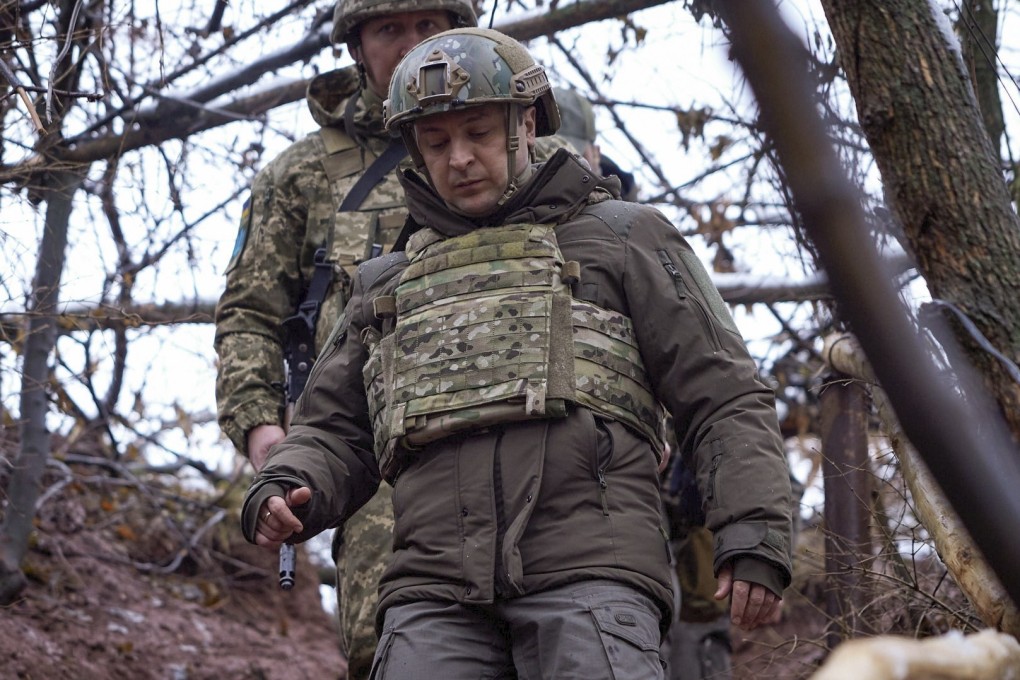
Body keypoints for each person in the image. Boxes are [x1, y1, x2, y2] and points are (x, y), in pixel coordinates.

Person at [241, 27, 794, 679]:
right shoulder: (387, 281)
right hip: (433, 592)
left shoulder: (624, 238)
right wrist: (287, 484)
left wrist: (754, 531)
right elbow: (333, 428)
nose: (460, 159)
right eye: (437, 142)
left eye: (477, 134)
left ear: (526, 123)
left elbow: (723, 395)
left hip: (592, 576)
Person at [214, 1, 477, 677]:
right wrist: (259, 427)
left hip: (533, 431)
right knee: (387, 640)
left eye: (432, 26)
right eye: (392, 29)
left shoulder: (526, 146)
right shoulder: (301, 174)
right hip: (375, 452)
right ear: (359, 48)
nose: (416, 45)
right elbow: (250, 311)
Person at [555, 85, 738, 680]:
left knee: (698, 577)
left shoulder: (636, 231)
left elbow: (708, 365)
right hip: (582, 480)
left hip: (657, 464)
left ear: (593, 154)